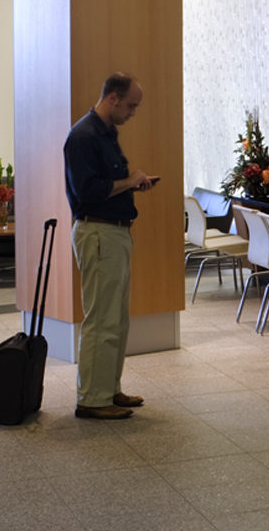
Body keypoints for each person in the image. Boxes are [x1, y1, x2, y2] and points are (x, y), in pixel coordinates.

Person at [64, 73, 157, 420]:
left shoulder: (105, 134)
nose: (133, 112)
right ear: (113, 98)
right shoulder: (83, 136)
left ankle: (108, 389)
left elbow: (110, 183)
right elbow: (88, 190)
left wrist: (133, 185)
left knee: (116, 319)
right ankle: (91, 398)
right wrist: (129, 181)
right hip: (98, 233)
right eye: (131, 105)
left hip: (115, 232)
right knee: (101, 319)